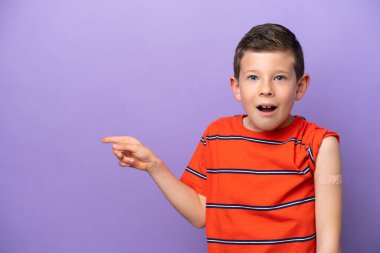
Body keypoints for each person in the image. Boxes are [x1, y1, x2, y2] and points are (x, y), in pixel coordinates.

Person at [102, 23, 342, 253]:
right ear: (236, 87)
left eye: (279, 77)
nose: (266, 89)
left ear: (300, 86)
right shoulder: (216, 136)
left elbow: (329, 244)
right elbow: (198, 214)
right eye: (253, 77)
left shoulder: (319, 145)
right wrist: (154, 166)